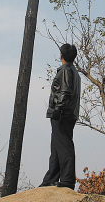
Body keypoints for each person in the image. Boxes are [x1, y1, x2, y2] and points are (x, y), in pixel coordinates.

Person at [40, 43, 81, 190]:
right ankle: (51, 178)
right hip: (68, 113)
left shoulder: (65, 71)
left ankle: (68, 180)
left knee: (64, 146)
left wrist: (58, 109)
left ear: (61, 56)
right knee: (57, 146)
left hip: (63, 113)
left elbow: (65, 92)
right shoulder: (74, 72)